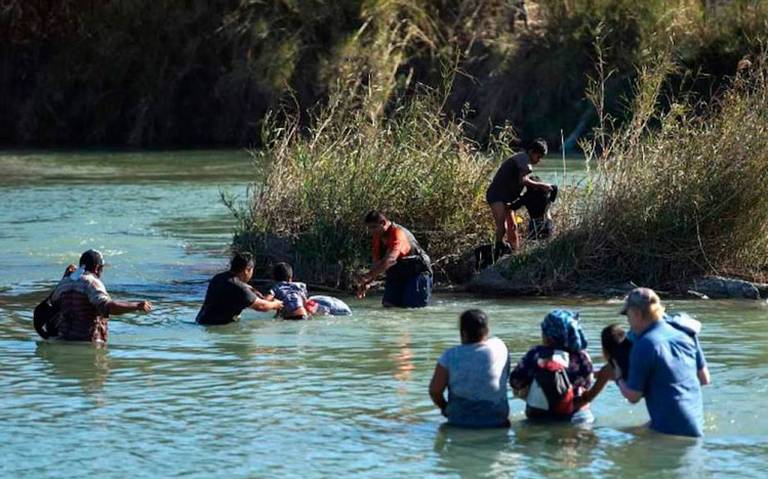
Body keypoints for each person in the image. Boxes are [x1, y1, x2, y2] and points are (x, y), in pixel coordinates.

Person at [616, 288, 711, 437]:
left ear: (637, 313)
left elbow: (633, 397)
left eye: (628, 316)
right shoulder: (685, 333)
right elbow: (704, 378)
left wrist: (618, 377)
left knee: (610, 437)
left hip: (670, 433)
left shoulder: (645, 344)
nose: (628, 321)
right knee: (633, 429)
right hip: (695, 426)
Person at [509, 309, 595, 424]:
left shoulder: (536, 354)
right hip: (579, 416)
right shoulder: (582, 356)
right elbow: (588, 384)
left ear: (549, 336)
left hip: (540, 418)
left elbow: (515, 381)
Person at [50, 249, 153, 343]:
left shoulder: (64, 283)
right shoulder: (92, 283)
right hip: (87, 343)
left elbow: (52, 303)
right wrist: (137, 306)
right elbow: (108, 307)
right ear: (96, 268)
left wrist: (64, 277)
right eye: (102, 268)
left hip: (64, 340)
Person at [429, 309, 511, 428]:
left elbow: (435, 391)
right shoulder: (499, 347)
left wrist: (445, 408)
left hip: (460, 422)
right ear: (487, 331)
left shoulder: (450, 356)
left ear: (462, 333)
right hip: (497, 421)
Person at [485, 139, 552, 255]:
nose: (539, 160)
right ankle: (498, 247)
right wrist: (542, 185)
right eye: (538, 156)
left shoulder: (523, 159)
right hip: (496, 196)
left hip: (507, 198)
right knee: (502, 226)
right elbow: (523, 180)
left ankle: (515, 252)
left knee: (513, 226)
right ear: (531, 152)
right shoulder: (524, 161)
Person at [356, 210, 432, 308]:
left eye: (373, 227)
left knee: (412, 308)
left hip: (417, 273)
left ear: (383, 223)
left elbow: (391, 260)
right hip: (397, 273)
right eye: (369, 228)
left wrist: (369, 275)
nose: (371, 231)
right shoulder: (377, 237)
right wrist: (367, 283)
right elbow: (376, 263)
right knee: (389, 305)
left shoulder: (397, 233)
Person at [195, 252, 283, 325]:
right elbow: (262, 306)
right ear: (246, 270)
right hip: (216, 326)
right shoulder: (240, 288)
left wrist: (250, 288)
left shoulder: (218, 278)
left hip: (201, 321)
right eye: (252, 270)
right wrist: (276, 304)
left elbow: (233, 287)